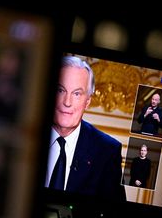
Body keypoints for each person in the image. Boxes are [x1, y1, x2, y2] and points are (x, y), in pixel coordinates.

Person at [45, 55, 126, 202]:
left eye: (76, 94)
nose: (67, 102)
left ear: (87, 102)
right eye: (60, 90)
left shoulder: (107, 151)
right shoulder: (26, 133)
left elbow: (113, 217)